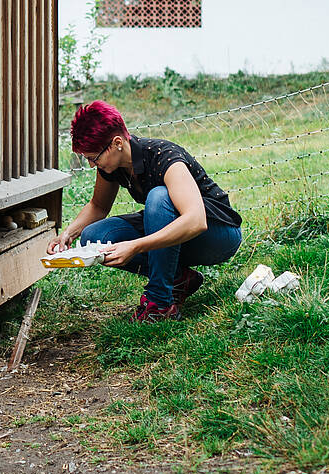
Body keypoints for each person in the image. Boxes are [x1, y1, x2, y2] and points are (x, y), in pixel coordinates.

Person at [46, 100, 243, 322]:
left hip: (217, 234)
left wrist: (135, 246)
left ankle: (160, 303)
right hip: (178, 229)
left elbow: (196, 220)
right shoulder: (113, 166)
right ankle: (179, 279)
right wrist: (68, 234)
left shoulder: (164, 157)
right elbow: (98, 207)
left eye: (94, 157)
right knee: (95, 236)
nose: (92, 164)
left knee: (158, 196)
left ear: (117, 143)